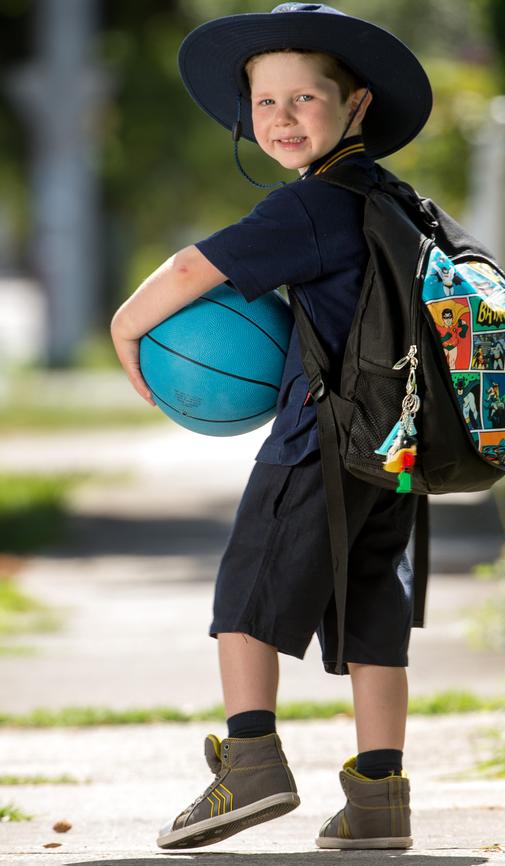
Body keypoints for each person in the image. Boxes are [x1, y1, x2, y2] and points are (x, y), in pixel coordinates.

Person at [111, 3, 432, 852]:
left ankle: (250, 763)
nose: (284, 120)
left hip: (317, 440)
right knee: (373, 610)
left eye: (306, 100)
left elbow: (190, 269)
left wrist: (124, 328)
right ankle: (379, 800)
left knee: (245, 598)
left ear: (355, 105)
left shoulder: (313, 209)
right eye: (265, 104)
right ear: (246, 117)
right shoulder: (399, 202)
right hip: (395, 447)